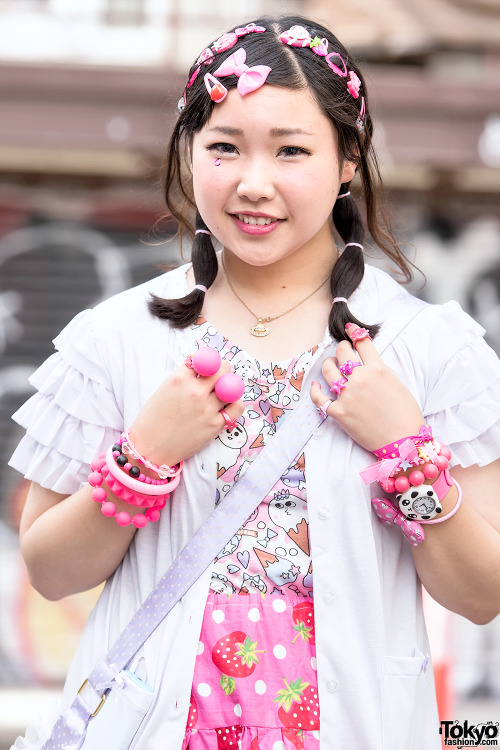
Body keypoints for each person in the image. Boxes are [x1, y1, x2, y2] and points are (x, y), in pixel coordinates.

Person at [9, 14, 500, 750]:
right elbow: (49, 571)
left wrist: (407, 449)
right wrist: (142, 459)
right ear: (189, 152)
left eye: (292, 150)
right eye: (225, 148)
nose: (253, 183)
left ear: (347, 159)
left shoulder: (429, 349)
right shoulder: (116, 339)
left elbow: (481, 592)